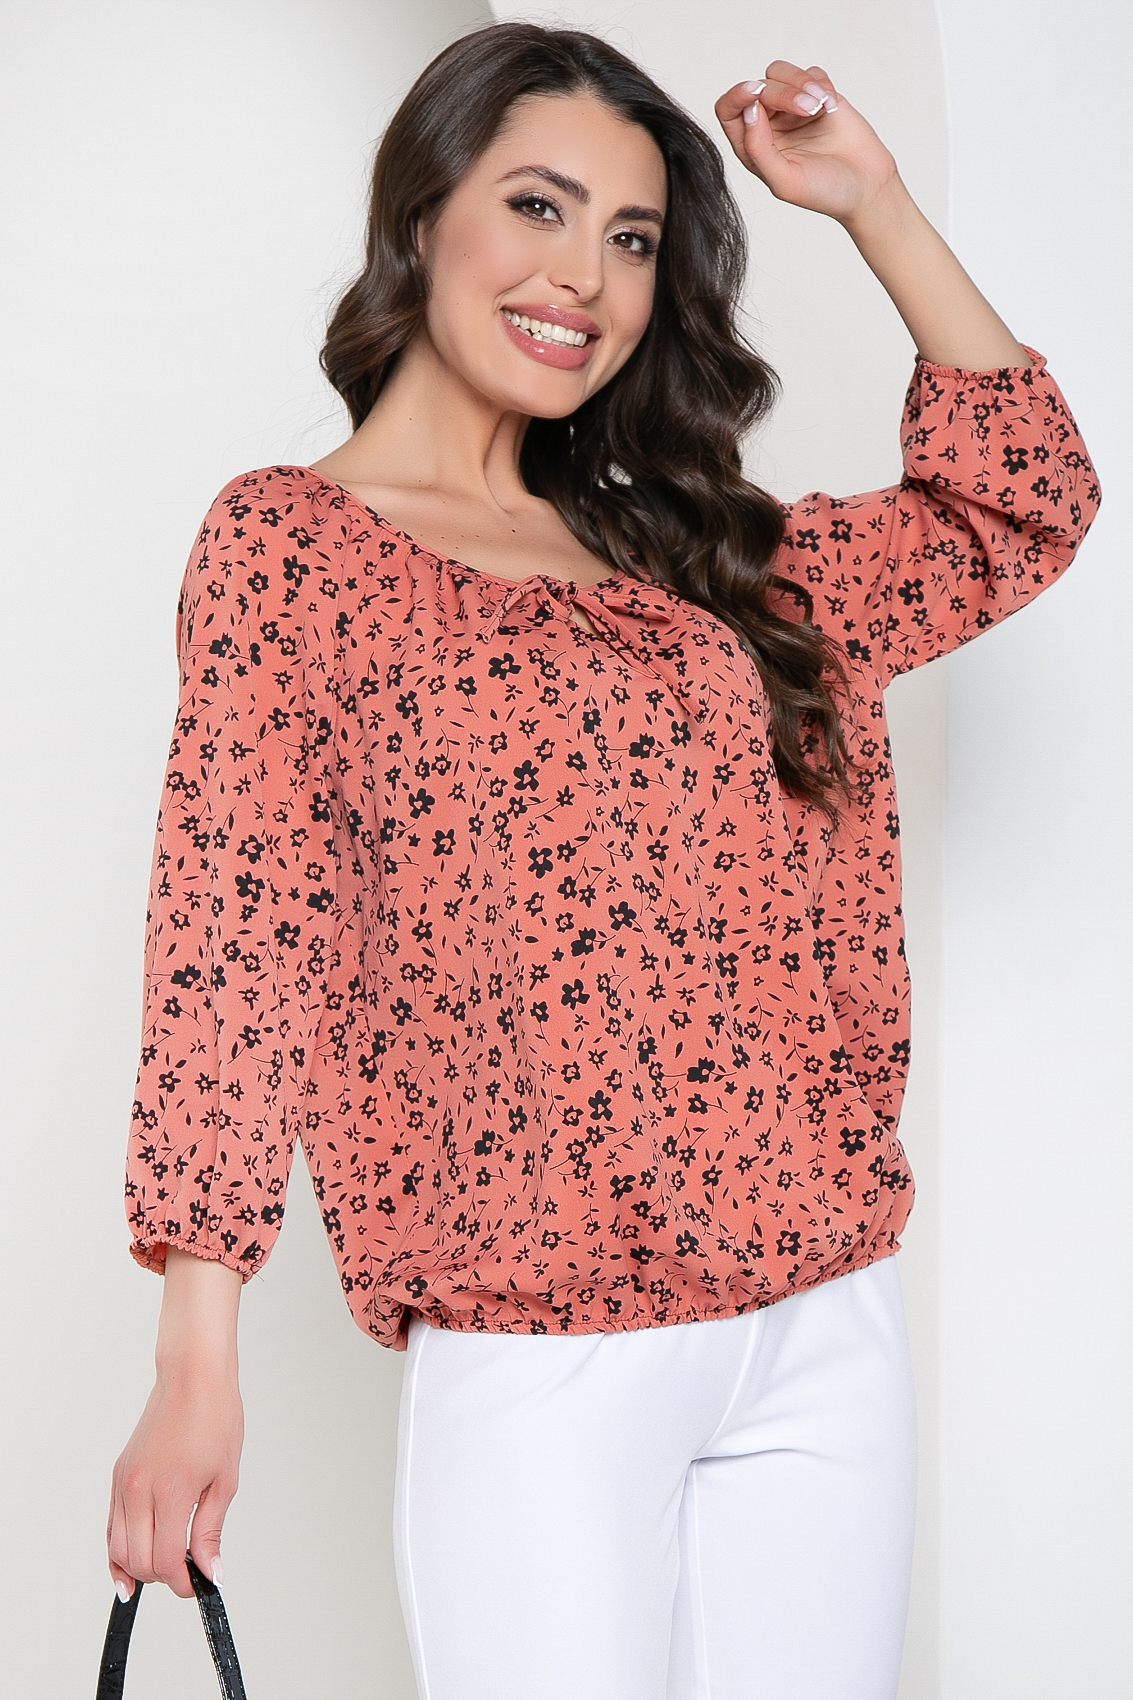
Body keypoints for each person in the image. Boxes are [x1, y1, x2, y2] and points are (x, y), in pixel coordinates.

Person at [106, 23, 1099, 1700]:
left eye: (632, 236)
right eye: (538, 206)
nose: (586, 275)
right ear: (421, 215)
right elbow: (233, 930)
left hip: (821, 1322)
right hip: (545, 1351)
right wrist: (194, 1355)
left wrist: (872, 202)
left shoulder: (690, 556)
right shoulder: (292, 547)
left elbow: (1019, 505)